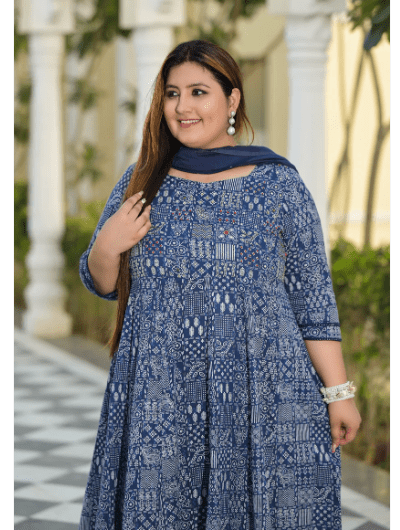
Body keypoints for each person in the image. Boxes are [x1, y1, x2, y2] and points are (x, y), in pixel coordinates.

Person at [79, 40, 362, 530]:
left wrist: (339, 393)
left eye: (198, 92)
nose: (182, 107)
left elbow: (312, 298)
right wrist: (108, 245)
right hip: (162, 394)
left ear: (232, 100)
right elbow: (101, 281)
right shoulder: (143, 180)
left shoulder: (279, 184)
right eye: (172, 94)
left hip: (260, 391)